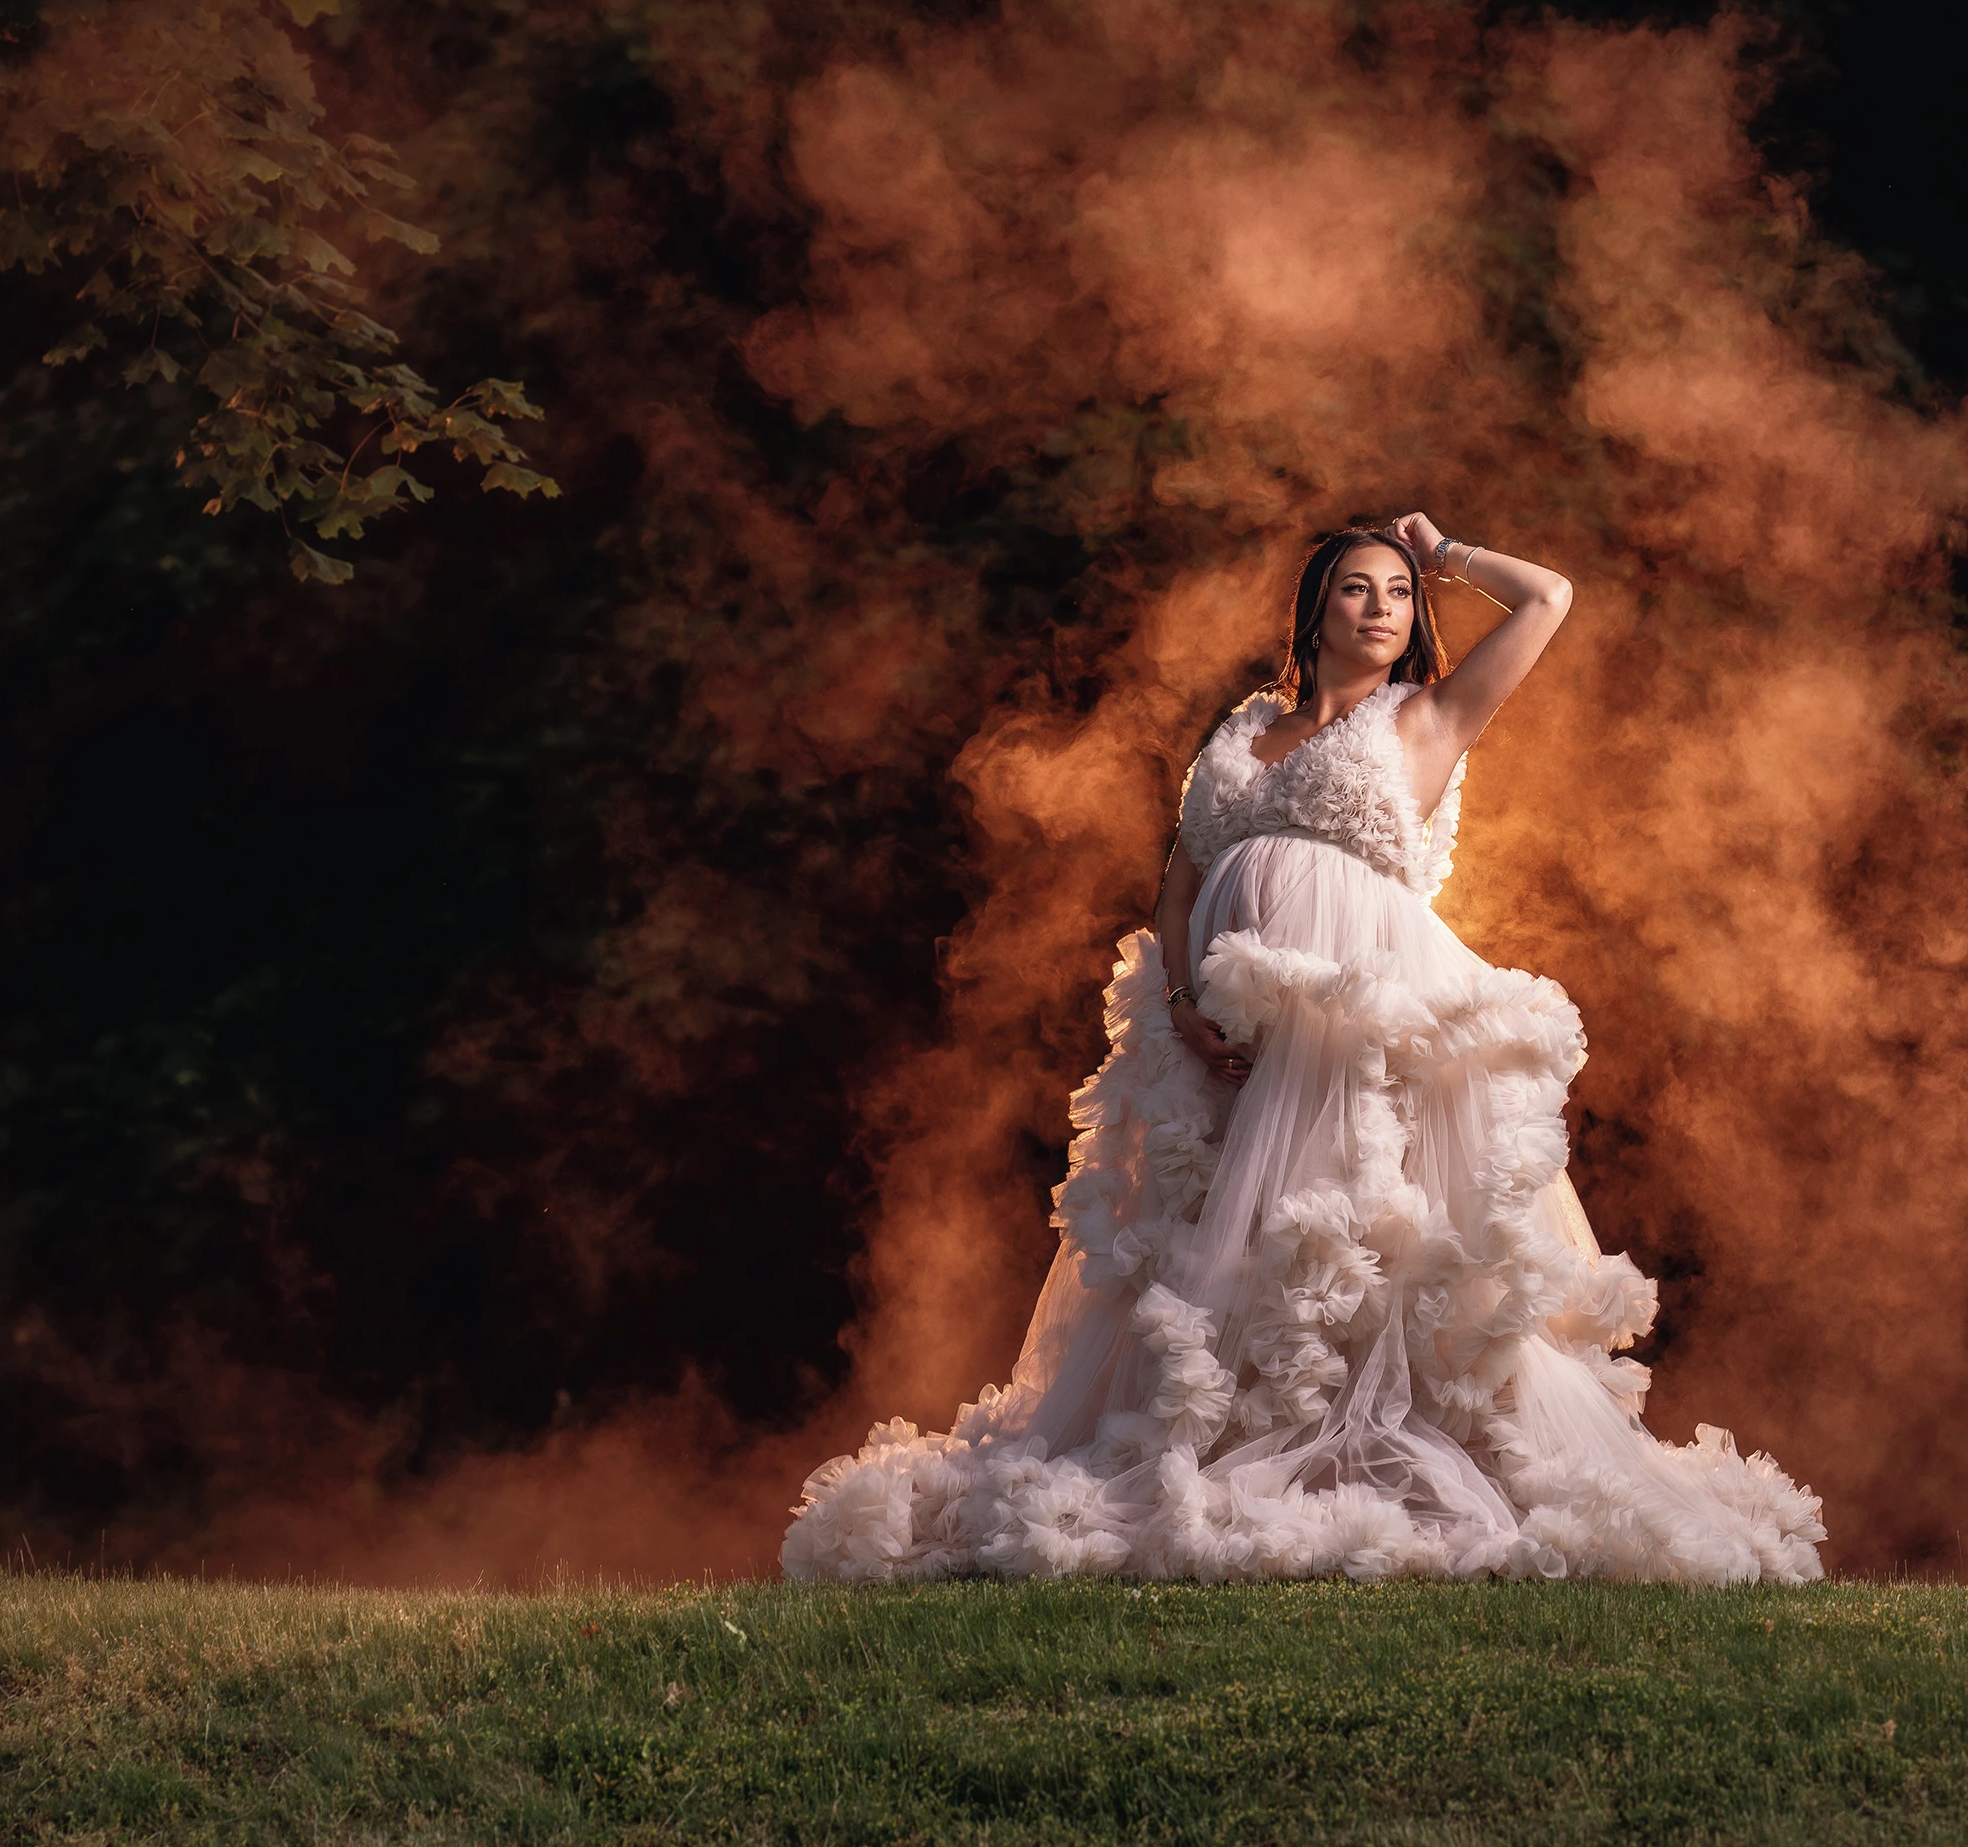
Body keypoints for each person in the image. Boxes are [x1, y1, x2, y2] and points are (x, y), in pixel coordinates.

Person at [782, 514, 1827, 1584]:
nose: (1381, 608)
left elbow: (1549, 597)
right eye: (1357, 590)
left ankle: (1379, 1458)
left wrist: (1444, 552)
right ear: (1315, 609)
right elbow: (1182, 881)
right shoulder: (1239, 734)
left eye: (1398, 594)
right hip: (1226, 1031)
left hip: (1357, 1011)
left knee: (1346, 1235)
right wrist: (1184, 1000)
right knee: (1227, 1237)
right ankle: (1208, 1446)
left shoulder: (1422, 717)